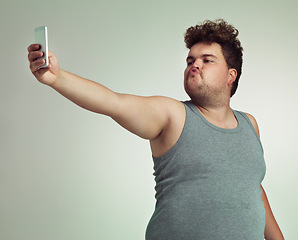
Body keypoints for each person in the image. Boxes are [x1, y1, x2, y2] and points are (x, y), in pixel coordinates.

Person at [28, 19, 284, 240]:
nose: (195, 65)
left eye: (207, 60)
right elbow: (114, 102)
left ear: (231, 75)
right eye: (190, 60)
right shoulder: (173, 115)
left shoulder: (250, 124)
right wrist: (57, 78)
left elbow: (253, 188)